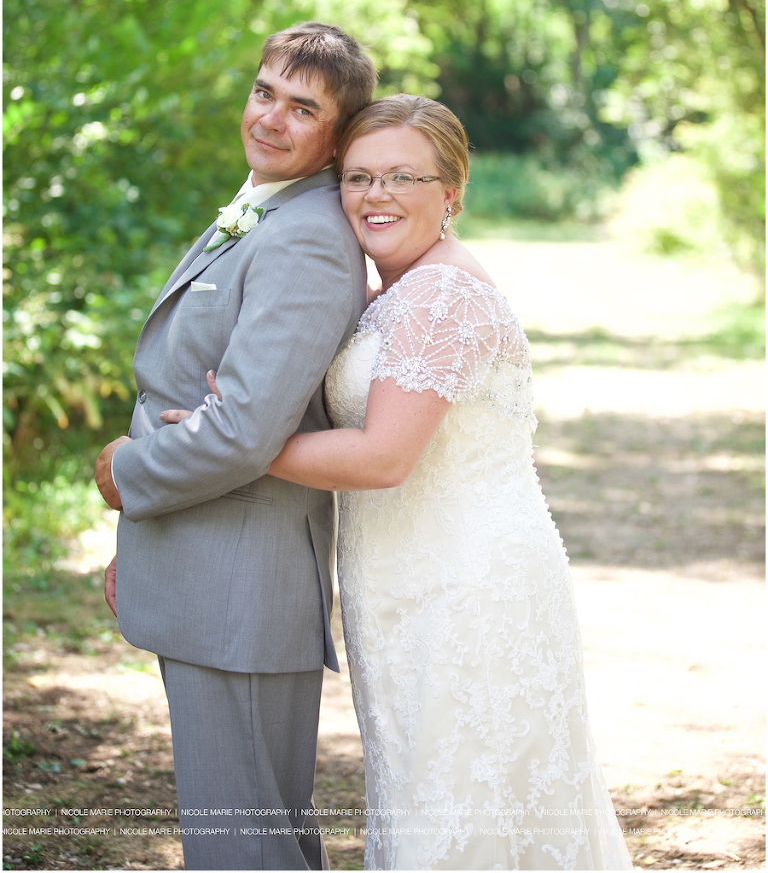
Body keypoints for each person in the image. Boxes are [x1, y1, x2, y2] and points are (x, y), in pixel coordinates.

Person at [167, 94, 633, 871]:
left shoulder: (441, 297)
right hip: (408, 580)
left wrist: (232, 439)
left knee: (462, 798)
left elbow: (383, 458)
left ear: (451, 193)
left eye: (401, 177)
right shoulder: (398, 291)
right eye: (358, 177)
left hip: (463, 586)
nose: (375, 195)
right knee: (432, 788)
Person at [94, 21, 377, 871]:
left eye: (303, 108)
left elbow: (245, 430)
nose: (271, 118)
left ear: (338, 136)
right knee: (252, 838)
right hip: (204, 565)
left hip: (241, 589)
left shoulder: (307, 238)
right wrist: (144, 539)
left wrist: (126, 476)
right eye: (265, 93)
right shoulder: (264, 206)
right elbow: (188, 390)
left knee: (242, 850)